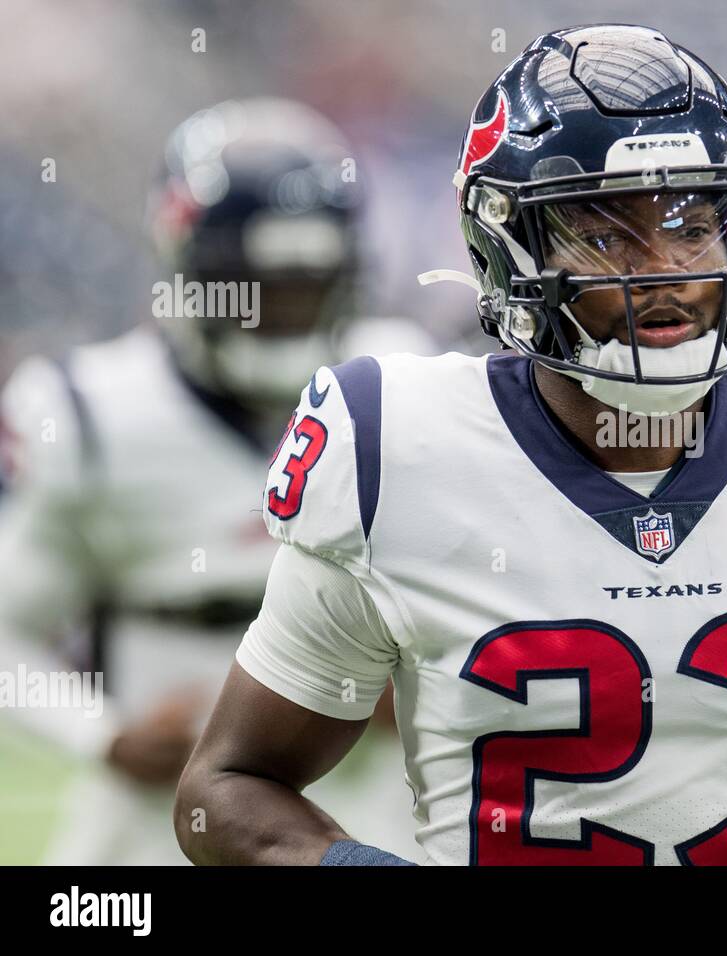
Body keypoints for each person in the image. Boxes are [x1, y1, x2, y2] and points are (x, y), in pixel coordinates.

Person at [176, 26, 727, 867]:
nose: (668, 270)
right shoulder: (401, 448)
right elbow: (230, 787)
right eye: (607, 236)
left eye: (693, 222)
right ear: (508, 249)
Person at [0, 97, 425, 864]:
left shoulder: (403, 383)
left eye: (304, 286)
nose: (282, 311)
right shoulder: (89, 414)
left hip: (372, 816)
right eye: (254, 289)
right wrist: (103, 736)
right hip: (155, 829)